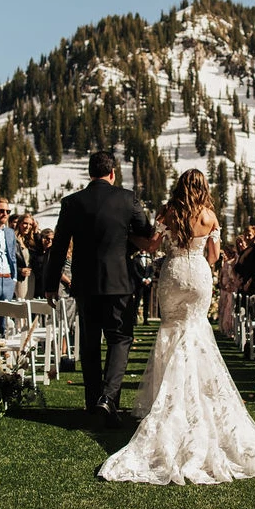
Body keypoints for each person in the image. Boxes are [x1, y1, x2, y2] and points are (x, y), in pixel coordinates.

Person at [98, 169, 255, 484]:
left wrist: (127, 235)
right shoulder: (209, 215)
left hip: (174, 274)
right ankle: (199, 404)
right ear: (204, 187)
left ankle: (170, 405)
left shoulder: (169, 211)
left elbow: (151, 247)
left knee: (172, 335)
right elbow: (215, 257)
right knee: (197, 335)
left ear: (179, 186)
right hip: (200, 275)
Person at [43, 151, 153, 425]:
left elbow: (58, 247)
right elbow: (147, 233)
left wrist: (50, 285)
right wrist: (123, 244)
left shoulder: (72, 202)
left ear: (90, 174)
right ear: (112, 173)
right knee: (120, 339)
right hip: (119, 281)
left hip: (85, 282)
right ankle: (109, 398)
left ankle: (93, 404)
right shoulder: (128, 199)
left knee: (90, 343)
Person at [9, 212, 35, 299]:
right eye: (25, 223)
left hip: (30, 278)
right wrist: (19, 270)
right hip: (19, 277)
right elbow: (7, 261)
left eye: (30, 224)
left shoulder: (29, 241)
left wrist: (35, 230)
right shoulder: (12, 239)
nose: (28, 226)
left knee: (30, 306)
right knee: (21, 305)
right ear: (19, 224)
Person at [232, 226, 255, 295]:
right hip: (243, 285)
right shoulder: (243, 252)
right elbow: (237, 269)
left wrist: (249, 283)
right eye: (245, 235)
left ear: (254, 236)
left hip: (253, 286)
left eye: (249, 235)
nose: (247, 238)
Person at [216, 245, 239, 335]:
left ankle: (229, 327)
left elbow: (233, 275)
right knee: (223, 306)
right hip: (224, 287)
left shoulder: (233, 262)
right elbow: (221, 274)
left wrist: (230, 284)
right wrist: (221, 284)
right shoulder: (225, 263)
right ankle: (223, 327)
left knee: (228, 308)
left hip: (230, 288)